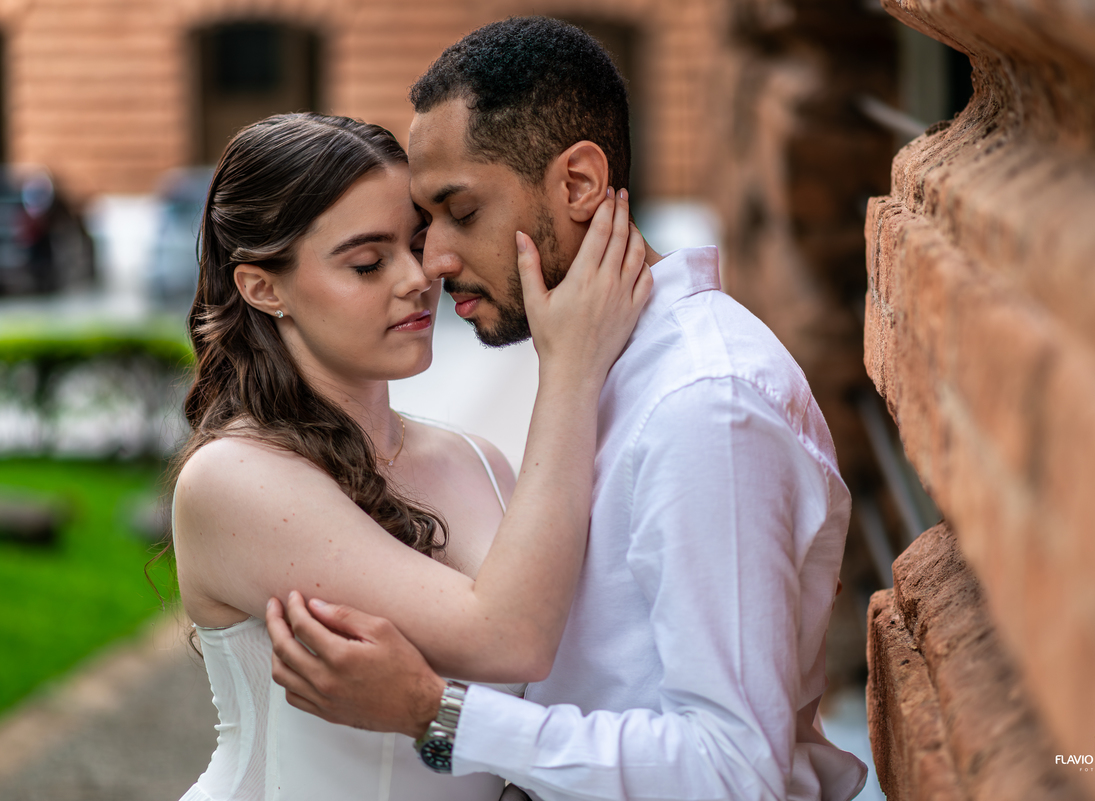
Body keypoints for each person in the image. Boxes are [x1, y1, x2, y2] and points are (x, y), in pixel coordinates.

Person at [266, 16, 869, 801]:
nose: (436, 260)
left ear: (578, 184)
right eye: (426, 223)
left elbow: (731, 771)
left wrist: (433, 711)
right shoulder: (606, 369)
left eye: (462, 211)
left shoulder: (705, 408)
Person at [170, 110, 651, 801]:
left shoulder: (479, 461)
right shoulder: (234, 478)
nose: (416, 277)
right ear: (263, 288)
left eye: (417, 242)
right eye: (367, 261)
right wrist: (570, 367)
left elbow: (560, 690)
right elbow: (508, 636)